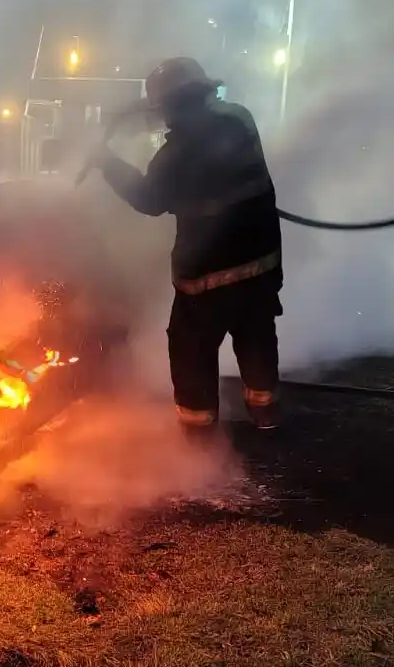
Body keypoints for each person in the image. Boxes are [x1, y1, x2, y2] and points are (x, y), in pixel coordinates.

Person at [89, 57, 283, 435]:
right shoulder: (239, 120)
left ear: (170, 106)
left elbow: (148, 199)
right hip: (260, 263)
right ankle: (267, 415)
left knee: (191, 350)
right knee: (257, 337)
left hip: (207, 278)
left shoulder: (175, 155)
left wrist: (107, 163)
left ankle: (198, 434)